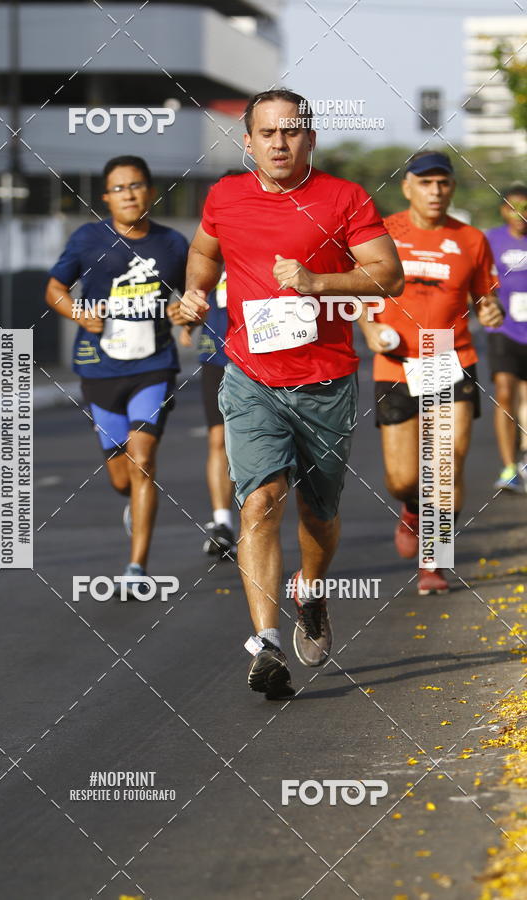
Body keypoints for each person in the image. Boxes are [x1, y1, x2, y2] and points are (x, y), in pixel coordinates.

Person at [180, 89, 404, 699]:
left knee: (319, 512)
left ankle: (311, 587)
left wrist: (316, 281)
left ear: (310, 139)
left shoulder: (344, 198)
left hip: (326, 381)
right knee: (262, 500)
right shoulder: (225, 196)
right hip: (250, 376)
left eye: (292, 132)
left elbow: (389, 273)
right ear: (247, 141)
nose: (280, 143)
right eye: (267, 133)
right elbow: (204, 251)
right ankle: (266, 642)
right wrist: (198, 290)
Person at [358, 150, 503, 596]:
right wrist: (370, 327)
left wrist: (491, 309)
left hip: (448, 355)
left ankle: (433, 562)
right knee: (403, 478)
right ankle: (411, 509)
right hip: (397, 362)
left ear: (452, 188)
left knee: (445, 462)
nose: (435, 191)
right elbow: (363, 291)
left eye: (443, 183)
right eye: (425, 182)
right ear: (407, 187)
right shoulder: (382, 232)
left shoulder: (472, 239)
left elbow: (484, 297)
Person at [45, 155, 188, 595]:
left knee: (143, 460)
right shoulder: (89, 240)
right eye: (119, 188)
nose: (129, 194)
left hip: (155, 366)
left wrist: (186, 314)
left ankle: (136, 567)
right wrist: (78, 313)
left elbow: (192, 295)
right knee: (121, 476)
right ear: (107, 197)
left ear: (150, 190)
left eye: (137, 185)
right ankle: (133, 503)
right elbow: (54, 288)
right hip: (100, 366)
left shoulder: (173, 244)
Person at [180, 266, 237, 559]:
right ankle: (223, 523)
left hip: (264, 352)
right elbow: (194, 289)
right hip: (217, 352)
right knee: (218, 439)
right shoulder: (211, 245)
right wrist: (188, 321)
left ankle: (260, 519)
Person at [486, 185, 527, 492]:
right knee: (504, 392)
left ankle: (524, 457)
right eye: (513, 207)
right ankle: (509, 466)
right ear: (503, 210)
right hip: (504, 330)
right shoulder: (491, 239)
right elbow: (479, 281)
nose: (520, 214)